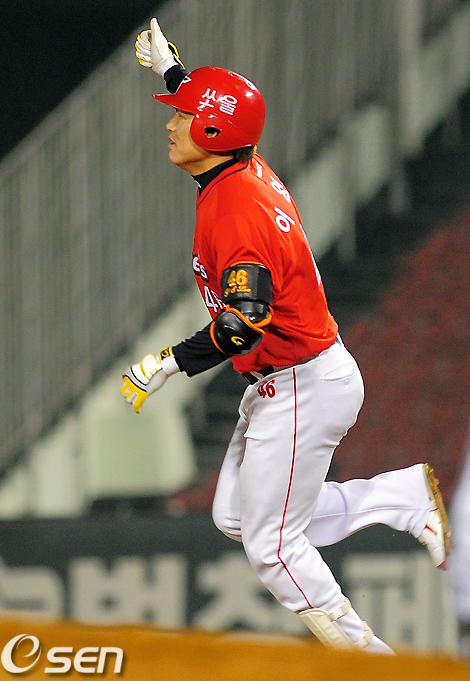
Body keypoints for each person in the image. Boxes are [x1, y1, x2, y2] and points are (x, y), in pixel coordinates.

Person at [121, 18, 452, 653]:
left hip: (302, 381)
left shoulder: (236, 208)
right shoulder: (237, 167)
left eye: (183, 115)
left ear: (212, 134)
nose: (171, 123)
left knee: (272, 547)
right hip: (298, 377)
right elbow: (226, 117)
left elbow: (244, 322)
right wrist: (171, 71)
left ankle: (369, 660)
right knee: (237, 516)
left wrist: (168, 362)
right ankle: (401, 497)